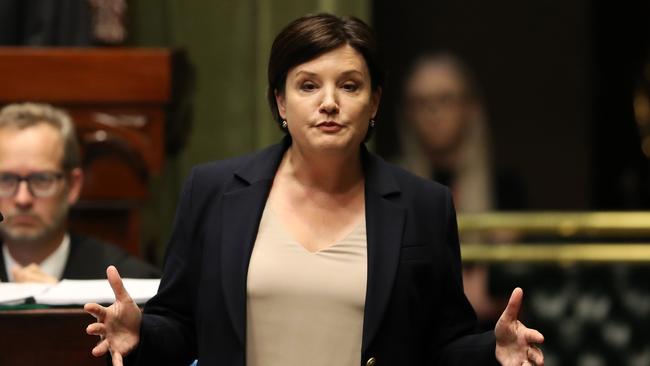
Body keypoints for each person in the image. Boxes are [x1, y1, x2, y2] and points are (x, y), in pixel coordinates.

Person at [85, 14, 544, 366]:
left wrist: (493, 351)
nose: (329, 102)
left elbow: (444, 342)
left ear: (375, 103)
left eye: (349, 85)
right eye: (308, 86)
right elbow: (182, 325)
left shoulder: (423, 204)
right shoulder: (214, 190)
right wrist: (141, 332)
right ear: (281, 102)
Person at [399, 53, 525, 328]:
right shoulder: (393, 188)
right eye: (421, 103)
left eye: (445, 99)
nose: (433, 114)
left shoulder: (506, 191)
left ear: (471, 108)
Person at [0, 103, 160, 283]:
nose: (23, 199)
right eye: (5, 179)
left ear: (73, 186)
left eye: (42, 180)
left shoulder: (130, 281)